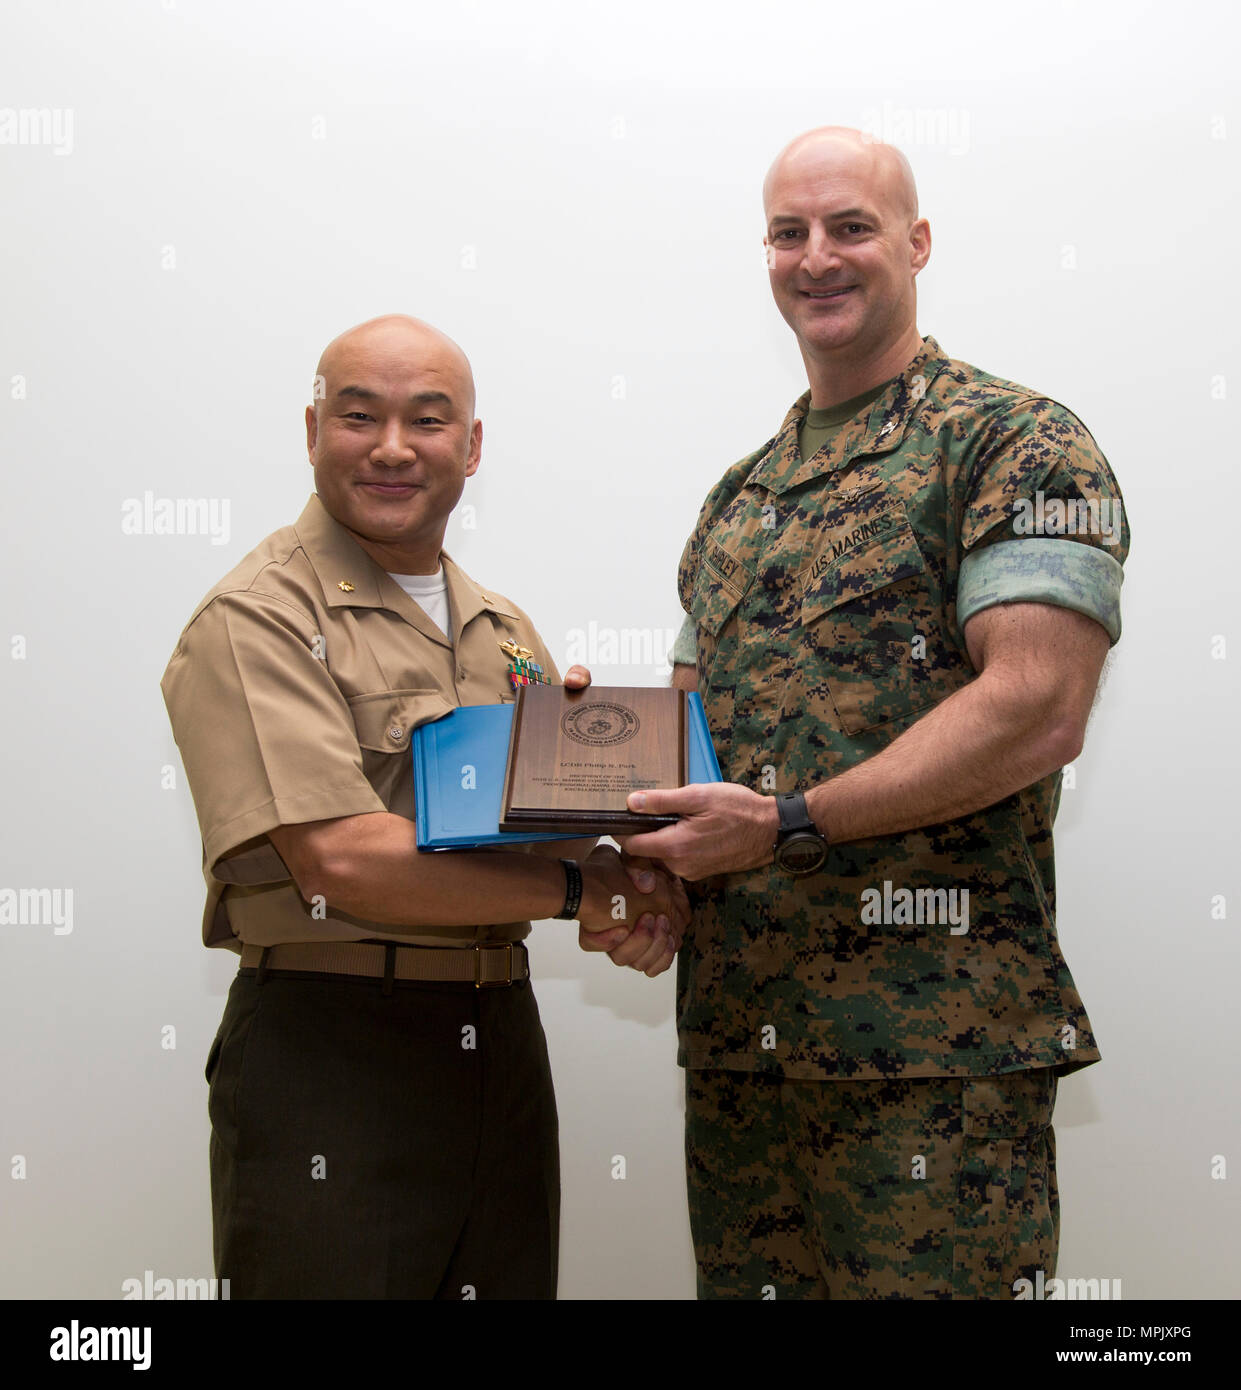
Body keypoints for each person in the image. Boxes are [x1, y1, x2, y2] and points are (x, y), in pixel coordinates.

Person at [622, 127, 1129, 1299]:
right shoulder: (735, 502)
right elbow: (687, 738)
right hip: (744, 1054)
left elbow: (1036, 706)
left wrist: (786, 820)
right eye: (786, 232)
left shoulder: (1013, 443)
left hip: (931, 1058)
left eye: (848, 226)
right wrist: (632, 855)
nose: (815, 257)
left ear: (915, 242)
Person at [161, 314, 688, 1300]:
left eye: (427, 420)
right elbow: (342, 860)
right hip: (334, 1046)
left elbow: (539, 816)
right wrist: (584, 886)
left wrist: (628, 818)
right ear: (312, 429)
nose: (393, 447)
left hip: (499, 1039)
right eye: (359, 416)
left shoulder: (503, 630)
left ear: (472, 445)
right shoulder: (263, 617)